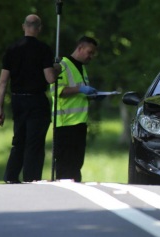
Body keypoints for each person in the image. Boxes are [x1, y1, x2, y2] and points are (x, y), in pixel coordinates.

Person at [0, 14, 57, 183]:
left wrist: (0, 109)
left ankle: (11, 176)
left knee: (19, 139)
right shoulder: (43, 49)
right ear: (39, 28)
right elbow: (50, 78)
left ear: (24, 27)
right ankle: (31, 179)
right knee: (34, 143)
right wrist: (57, 68)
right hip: (36, 100)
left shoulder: (12, 49)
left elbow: (2, 81)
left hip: (18, 101)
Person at [52, 36, 102, 182]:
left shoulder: (81, 68)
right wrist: (81, 89)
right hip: (65, 123)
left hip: (79, 123)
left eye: (93, 53)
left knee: (76, 165)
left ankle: (74, 196)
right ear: (80, 48)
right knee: (65, 165)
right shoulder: (63, 65)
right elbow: (57, 90)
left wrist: (93, 95)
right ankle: (63, 195)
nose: (91, 56)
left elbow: (79, 94)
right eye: (89, 52)